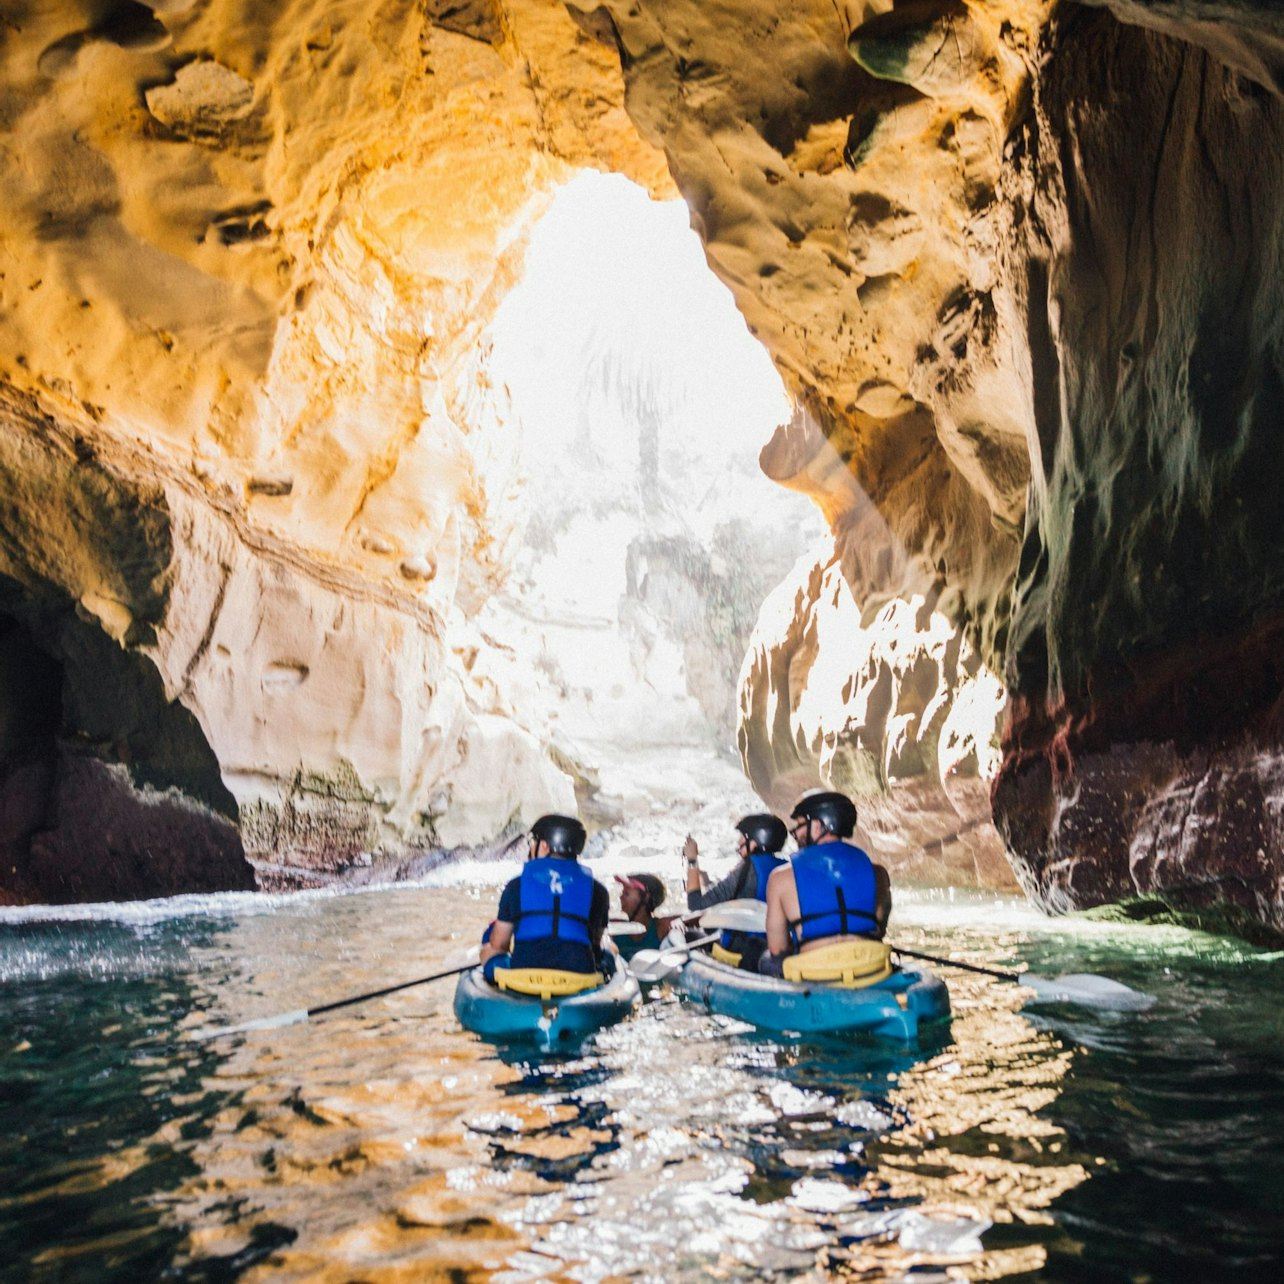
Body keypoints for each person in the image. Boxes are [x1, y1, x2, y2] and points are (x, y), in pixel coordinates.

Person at [759, 791, 893, 985]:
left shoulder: (780, 877)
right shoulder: (878, 872)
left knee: (766, 960)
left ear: (820, 825)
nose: (796, 833)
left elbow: (777, 949)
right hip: (870, 968)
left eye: (801, 826)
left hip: (816, 973)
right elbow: (878, 930)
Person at [480, 814, 616, 990]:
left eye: (532, 843)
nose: (530, 848)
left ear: (544, 846)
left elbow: (499, 944)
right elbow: (595, 942)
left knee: (488, 950)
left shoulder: (516, 886)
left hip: (523, 977)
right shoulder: (598, 890)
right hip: (579, 977)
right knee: (610, 950)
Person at [684, 813, 787, 971]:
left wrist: (692, 860)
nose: (739, 843)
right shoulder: (786, 867)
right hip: (777, 948)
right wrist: (707, 882)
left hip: (747, 950)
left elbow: (696, 905)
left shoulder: (748, 867)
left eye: (743, 838)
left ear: (754, 843)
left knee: (688, 935)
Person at [612, 873, 677, 961]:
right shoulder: (613, 927)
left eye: (626, 893)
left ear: (646, 897)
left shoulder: (661, 927)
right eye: (622, 893)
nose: (620, 897)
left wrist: (680, 922)